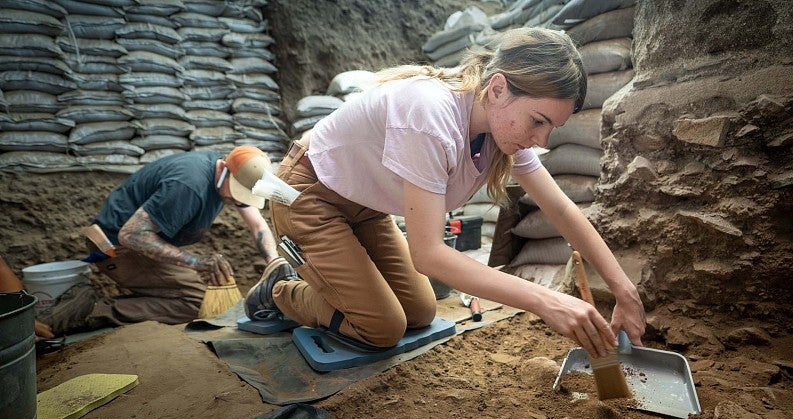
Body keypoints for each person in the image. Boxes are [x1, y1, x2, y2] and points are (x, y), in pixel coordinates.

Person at [245, 27, 646, 358]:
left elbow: (559, 209)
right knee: (381, 327)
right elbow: (429, 254)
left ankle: (327, 279)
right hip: (309, 197)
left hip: (364, 207)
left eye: (551, 129)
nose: (541, 139)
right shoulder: (430, 115)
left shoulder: (497, 132)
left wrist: (623, 291)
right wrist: (545, 301)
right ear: (498, 89)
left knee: (420, 312)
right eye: (538, 121)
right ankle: (281, 288)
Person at [43, 147, 279, 335]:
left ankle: (141, 300)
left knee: (187, 288)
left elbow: (258, 226)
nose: (237, 200)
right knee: (196, 302)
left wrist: (274, 262)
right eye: (237, 192)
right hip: (115, 246)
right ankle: (91, 309)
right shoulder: (188, 186)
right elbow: (132, 235)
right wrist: (197, 262)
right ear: (225, 169)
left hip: (139, 244)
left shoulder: (231, 175)